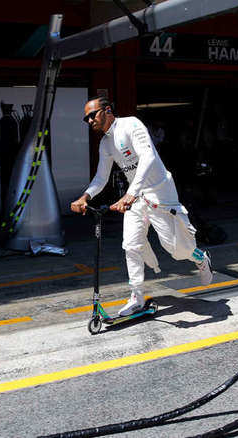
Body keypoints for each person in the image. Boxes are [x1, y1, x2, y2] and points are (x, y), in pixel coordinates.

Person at [71, 97, 213, 316]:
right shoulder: (106, 143)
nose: (89, 120)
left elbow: (147, 156)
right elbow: (101, 177)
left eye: (93, 115)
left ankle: (200, 258)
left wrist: (130, 193)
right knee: (131, 244)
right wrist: (85, 197)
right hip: (136, 196)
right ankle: (137, 297)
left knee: (176, 250)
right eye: (86, 118)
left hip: (160, 191)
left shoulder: (131, 124)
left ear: (107, 110)